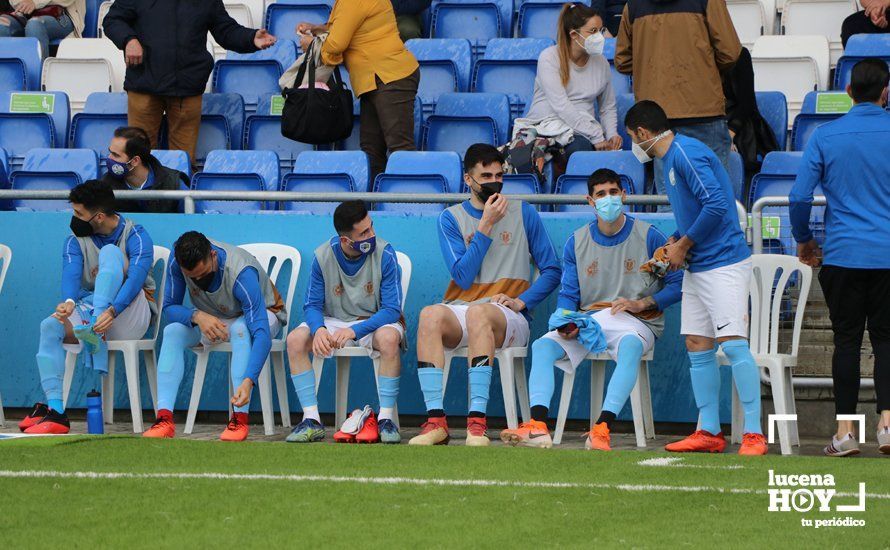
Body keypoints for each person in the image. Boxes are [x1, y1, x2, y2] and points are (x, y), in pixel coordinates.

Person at [500, 169, 682, 450]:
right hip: (590, 321)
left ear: (624, 195)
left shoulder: (650, 236)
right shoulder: (577, 240)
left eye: (613, 192)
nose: (608, 199)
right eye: (601, 194)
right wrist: (565, 322)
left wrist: (642, 303)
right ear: (590, 201)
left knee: (631, 346)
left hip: (637, 321)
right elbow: (569, 294)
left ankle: (602, 429)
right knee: (543, 346)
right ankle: (537, 427)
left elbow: (678, 283)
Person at [624, 100, 768, 455]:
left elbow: (719, 205)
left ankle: (753, 433)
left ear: (642, 133)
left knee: (733, 345)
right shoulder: (666, 160)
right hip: (698, 266)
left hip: (723, 263)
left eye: (631, 138)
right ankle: (708, 431)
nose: (633, 145)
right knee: (697, 345)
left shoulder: (685, 153)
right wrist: (674, 242)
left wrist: (684, 245)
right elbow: (697, 210)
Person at [408, 144, 561, 447]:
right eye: (486, 175)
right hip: (463, 309)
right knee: (429, 315)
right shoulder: (450, 219)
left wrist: (523, 301)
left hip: (509, 317)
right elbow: (463, 277)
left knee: (481, 312)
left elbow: (553, 270)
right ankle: (436, 422)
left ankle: (477, 424)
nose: (494, 181)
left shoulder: (523, 212)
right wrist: (486, 224)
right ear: (468, 179)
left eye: (499, 175)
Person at [789, 59, 890, 457]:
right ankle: (887, 426)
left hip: (844, 254)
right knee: (887, 341)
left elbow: (798, 197)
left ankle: (846, 432)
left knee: (846, 342)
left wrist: (803, 240)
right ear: (886, 92)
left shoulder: (826, 135)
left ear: (848, 93)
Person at [19, 181, 155, 434]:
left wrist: (109, 311)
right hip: (93, 312)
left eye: (79, 214)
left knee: (111, 254)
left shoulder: (136, 234)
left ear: (100, 216)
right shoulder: (74, 241)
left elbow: (136, 280)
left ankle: (95, 324)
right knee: (50, 326)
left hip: (129, 314)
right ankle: (57, 412)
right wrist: (69, 304)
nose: (74, 218)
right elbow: (70, 277)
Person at [142, 231, 287, 441]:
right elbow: (169, 307)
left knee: (241, 328)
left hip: (266, 314)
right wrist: (196, 315)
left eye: (203, 274)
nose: (199, 281)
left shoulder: (240, 272)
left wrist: (249, 380)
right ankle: (164, 419)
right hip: (214, 318)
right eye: (193, 277)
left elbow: (261, 333)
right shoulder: (178, 261)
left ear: (213, 255)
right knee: (172, 331)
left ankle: (239, 420)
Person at [285, 200, 405, 445]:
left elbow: (392, 309)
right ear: (345, 241)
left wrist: (354, 330)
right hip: (334, 320)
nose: (372, 235)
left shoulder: (386, 253)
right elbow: (311, 305)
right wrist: (318, 329)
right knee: (295, 339)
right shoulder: (322, 256)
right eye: (364, 233)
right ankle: (312, 420)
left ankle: (385, 419)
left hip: (374, 320)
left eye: (371, 228)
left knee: (390, 338)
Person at [103, 0, 276, 167]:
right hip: (143, 86)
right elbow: (113, 20)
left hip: (187, 88)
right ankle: (142, 197)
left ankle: (178, 196)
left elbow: (225, 30)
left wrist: (251, 37)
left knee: (183, 160)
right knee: (138, 157)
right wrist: (129, 40)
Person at [615, 0, 741, 204]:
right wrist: (701, 67)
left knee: (670, 202)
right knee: (716, 199)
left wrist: (651, 66)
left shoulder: (634, 5)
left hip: (657, 115)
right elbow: (730, 52)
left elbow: (622, 60)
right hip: (704, 108)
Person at [297, 0, 420, 181]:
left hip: (389, 76)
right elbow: (346, 26)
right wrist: (318, 29)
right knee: (371, 150)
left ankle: (410, 205)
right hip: (373, 80)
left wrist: (314, 46)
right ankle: (376, 206)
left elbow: (337, 44)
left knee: (400, 148)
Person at [522, 3, 620, 159]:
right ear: (574, 34)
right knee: (581, 150)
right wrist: (596, 136)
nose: (600, 37)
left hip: (584, 130)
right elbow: (561, 105)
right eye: (593, 31)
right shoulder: (549, 58)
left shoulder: (601, 63)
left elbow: (607, 107)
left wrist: (612, 135)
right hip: (548, 127)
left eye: (601, 31)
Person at [101, 126, 190, 214]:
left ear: (135, 161)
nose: (109, 158)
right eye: (110, 152)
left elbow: (194, 222)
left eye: (115, 155)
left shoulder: (173, 184)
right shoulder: (106, 184)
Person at [0, 0, 84, 59]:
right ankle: (6, 80)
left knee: (34, 25)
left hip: (61, 15)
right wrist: (23, 4)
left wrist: (35, 3)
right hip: (24, 14)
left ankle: (38, 79)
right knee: (2, 25)